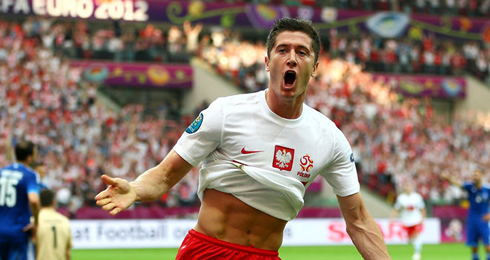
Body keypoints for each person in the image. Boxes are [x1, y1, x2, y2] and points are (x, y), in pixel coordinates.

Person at [95, 17, 391, 260]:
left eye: (302, 52)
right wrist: (133, 189)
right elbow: (164, 176)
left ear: (314, 68)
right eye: (282, 50)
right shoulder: (226, 113)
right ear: (267, 62)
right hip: (207, 251)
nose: (291, 59)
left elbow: (360, 222)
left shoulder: (330, 139)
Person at [0, 140, 41, 260]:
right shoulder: (29, 175)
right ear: (29, 157)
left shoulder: (1, 172)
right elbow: (33, 200)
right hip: (18, 231)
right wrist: (36, 222)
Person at [442, 169, 490, 260]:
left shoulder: (487, 189)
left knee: (487, 245)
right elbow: (458, 183)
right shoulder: (470, 187)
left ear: (481, 176)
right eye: (473, 175)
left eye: (476, 175)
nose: (474, 177)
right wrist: (448, 178)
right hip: (472, 219)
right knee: (473, 246)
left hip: (483, 220)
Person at [390, 182, 426, 260]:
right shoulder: (401, 198)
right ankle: (414, 247)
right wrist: (392, 219)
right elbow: (396, 209)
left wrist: (423, 218)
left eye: (409, 187)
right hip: (406, 220)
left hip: (416, 219)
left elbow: (422, 208)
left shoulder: (417, 197)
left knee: (416, 236)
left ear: (412, 188)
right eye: (406, 187)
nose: (408, 188)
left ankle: (417, 253)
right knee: (409, 239)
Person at [36, 188, 72, 260]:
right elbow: (67, 252)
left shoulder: (35, 221)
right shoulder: (64, 220)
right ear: (54, 202)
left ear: (39, 202)